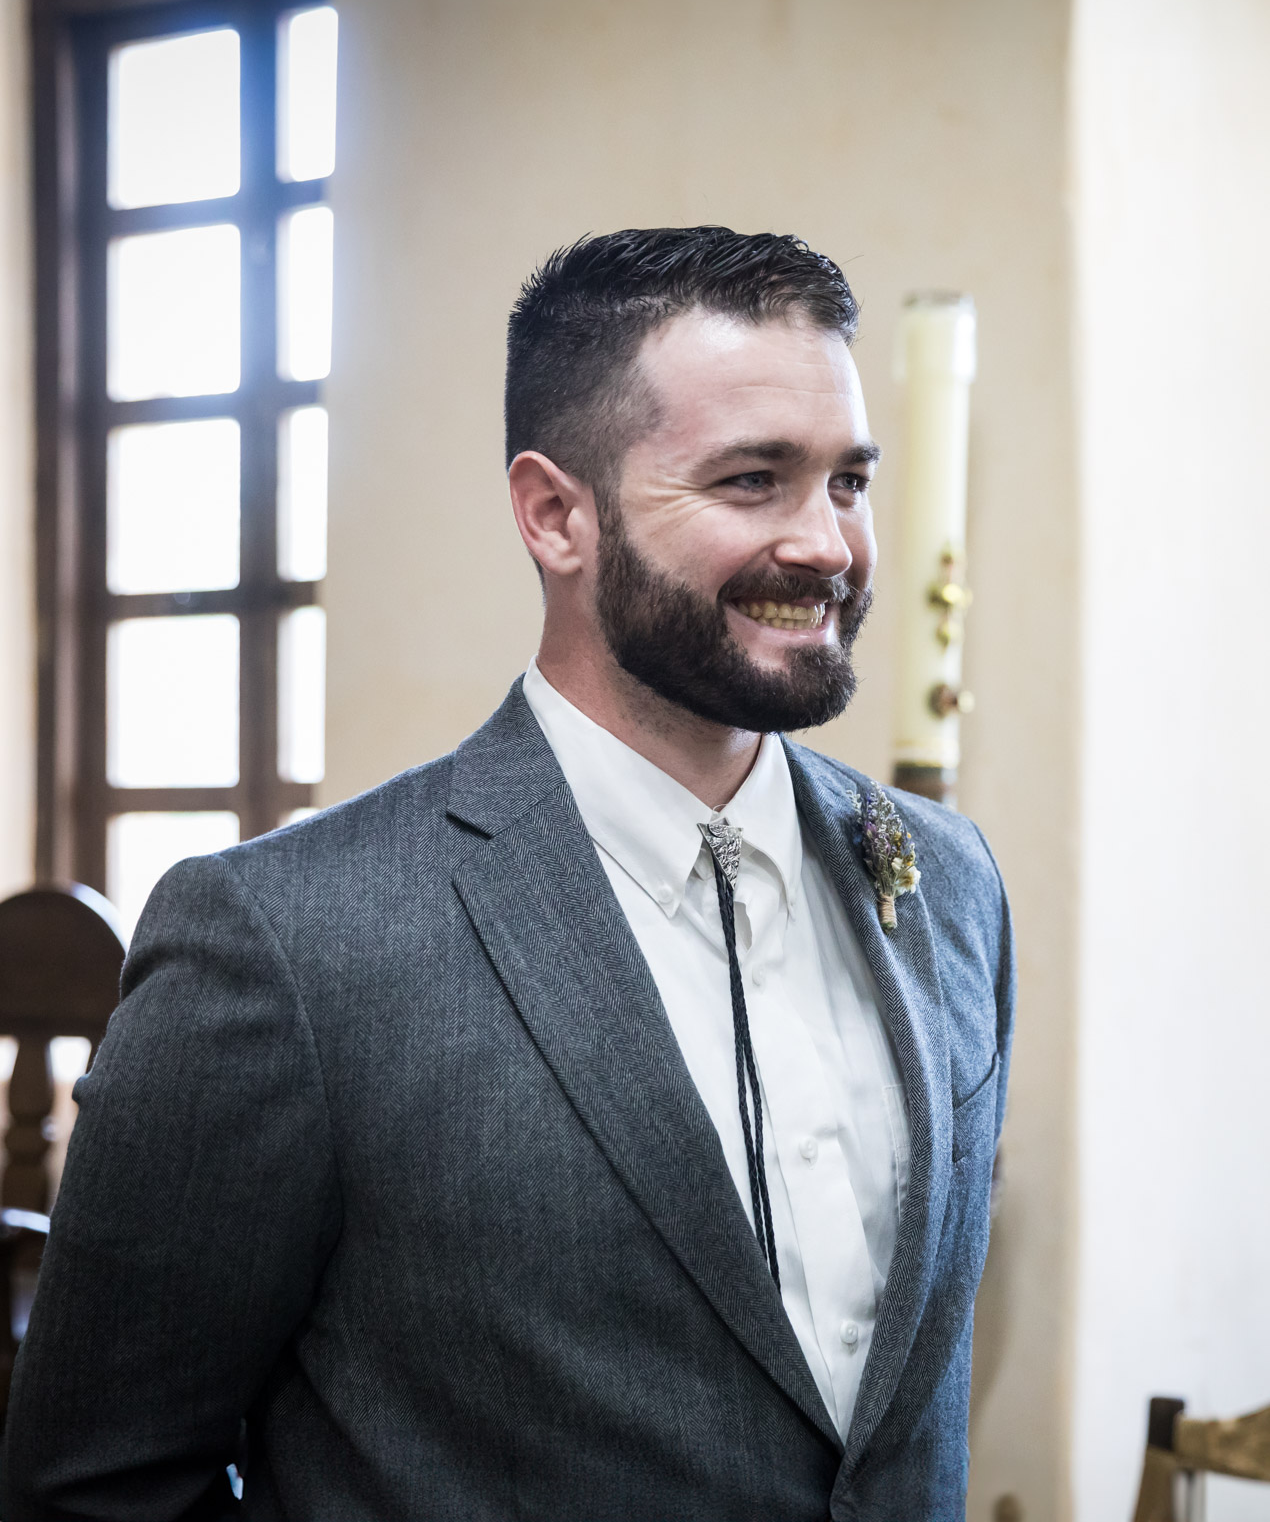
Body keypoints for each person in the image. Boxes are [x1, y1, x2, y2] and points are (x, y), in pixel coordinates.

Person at [3, 226, 1014, 1522]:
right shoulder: (290, 943)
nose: (826, 544)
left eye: (848, 482)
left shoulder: (943, 886)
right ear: (555, 515)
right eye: (753, 480)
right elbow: (100, 1486)